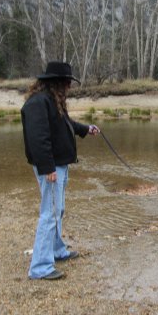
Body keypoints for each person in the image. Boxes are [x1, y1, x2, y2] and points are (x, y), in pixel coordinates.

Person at [21, 61, 100, 280]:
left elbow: (66, 124)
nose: (69, 87)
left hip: (58, 165)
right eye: (67, 82)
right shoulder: (38, 103)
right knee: (50, 214)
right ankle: (40, 267)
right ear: (57, 83)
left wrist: (86, 129)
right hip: (51, 167)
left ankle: (56, 251)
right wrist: (48, 168)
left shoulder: (52, 101)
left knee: (57, 211)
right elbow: (39, 139)